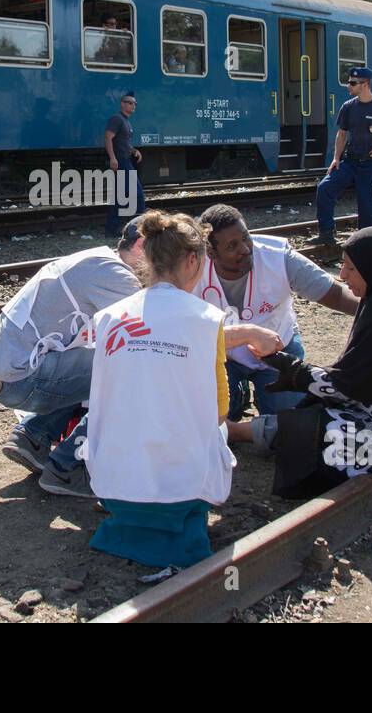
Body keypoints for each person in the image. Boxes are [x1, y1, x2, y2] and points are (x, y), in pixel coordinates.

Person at [0, 214, 280, 499]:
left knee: (111, 358)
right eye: (153, 253)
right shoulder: (116, 276)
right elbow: (172, 335)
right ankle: (68, 467)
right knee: (128, 367)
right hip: (19, 375)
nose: (155, 265)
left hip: (5, 369)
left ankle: (33, 436)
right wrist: (250, 333)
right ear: (139, 246)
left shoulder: (96, 259)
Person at [227, 227, 372, 500]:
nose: (342, 275)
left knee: (312, 431)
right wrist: (298, 373)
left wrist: (287, 366)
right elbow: (357, 380)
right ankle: (244, 432)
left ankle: (236, 433)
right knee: (316, 407)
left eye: (351, 268)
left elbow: (342, 386)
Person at [84, 211, 234, 569]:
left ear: (148, 258)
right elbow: (219, 410)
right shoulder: (206, 319)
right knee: (220, 426)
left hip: (113, 483)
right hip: (181, 492)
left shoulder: (109, 316)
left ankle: (125, 526)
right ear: (193, 260)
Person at [196, 204, 359, 420]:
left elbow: (336, 295)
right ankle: (238, 392)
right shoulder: (194, 267)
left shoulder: (279, 257)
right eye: (232, 246)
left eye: (246, 237)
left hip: (277, 350)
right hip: (223, 356)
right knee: (214, 415)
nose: (245, 249)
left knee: (286, 420)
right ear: (210, 252)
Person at [310, 67, 372, 245]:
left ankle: (364, 245)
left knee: (370, 211)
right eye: (349, 82)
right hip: (350, 162)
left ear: (365, 85)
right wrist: (336, 158)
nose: (348, 86)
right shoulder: (348, 107)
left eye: (352, 83)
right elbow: (341, 134)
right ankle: (326, 233)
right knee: (324, 188)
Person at [104, 92, 145, 238]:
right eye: (129, 103)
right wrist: (113, 158)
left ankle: (111, 228)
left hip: (126, 159)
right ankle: (142, 228)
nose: (133, 105)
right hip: (121, 161)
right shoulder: (117, 119)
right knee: (138, 194)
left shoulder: (126, 121)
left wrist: (134, 150)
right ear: (122, 104)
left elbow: (123, 142)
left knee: (119, 196)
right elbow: (108, 138)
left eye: (134, 103)